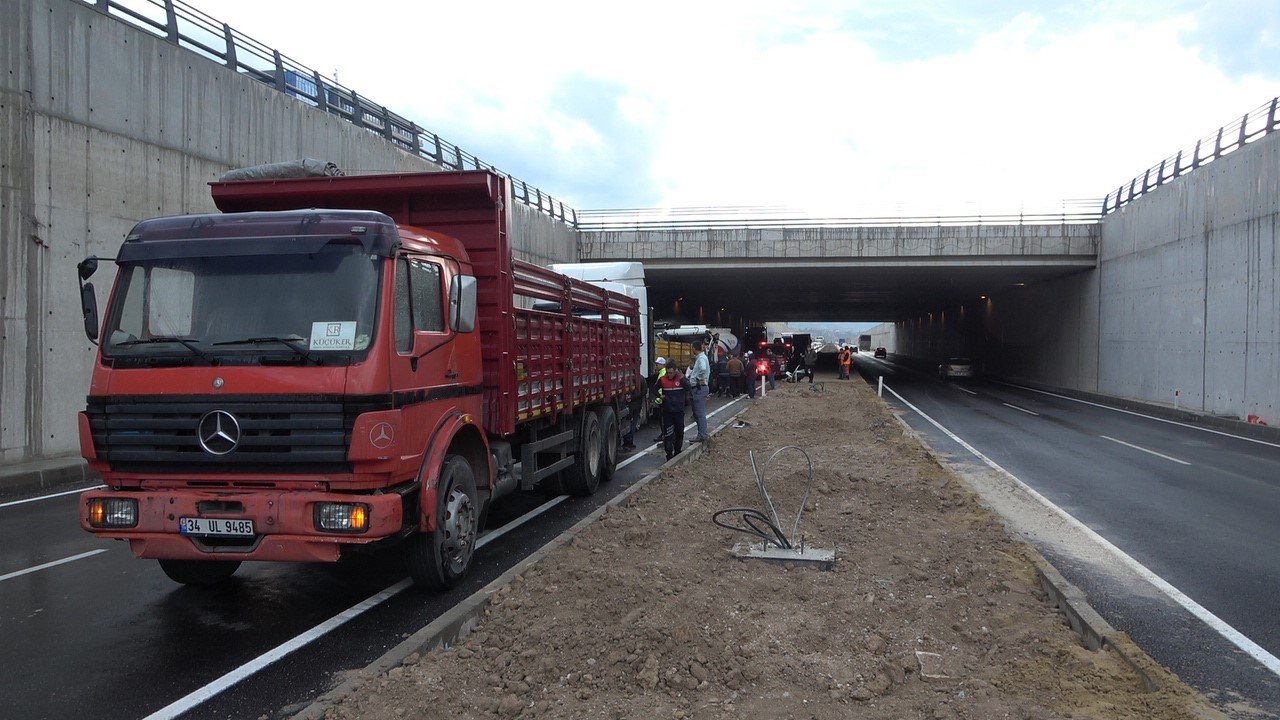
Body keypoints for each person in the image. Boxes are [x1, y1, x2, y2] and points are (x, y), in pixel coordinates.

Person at [658, 366, 692, 459]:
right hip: (667, 412)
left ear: (675, 372)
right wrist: (661, 396)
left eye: (671, 373)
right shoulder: (663, 380)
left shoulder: (681, 379)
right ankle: (669, 454)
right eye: (668, 373)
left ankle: (677, 452)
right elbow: (654, 389)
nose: (669, 375)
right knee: (668, 434)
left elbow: (689, 387)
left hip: (679, 411)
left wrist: (682, 378)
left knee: (679, 432)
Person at [687, 340, 711, 442]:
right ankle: (702, 433)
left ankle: (702, 435)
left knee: (699, 413)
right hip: (700, 388)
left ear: (694, 348)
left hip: (699, 388)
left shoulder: (701, 358)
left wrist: (697, 379)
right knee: (698, 413)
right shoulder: (703, 357)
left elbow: (703, 368)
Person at [650, 356, 669, 443]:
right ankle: (664, 434)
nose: (656, 366)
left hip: (662, 400)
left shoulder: (663, 373)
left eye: (658, 364)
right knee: (662, 419)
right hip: (661, 399)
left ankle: (664, 434)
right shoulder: (662, 372)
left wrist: (660, 396)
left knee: (663, 419)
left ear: (662, 365)